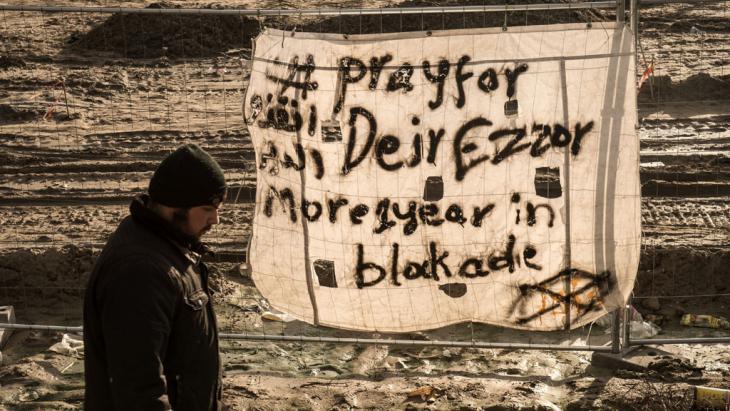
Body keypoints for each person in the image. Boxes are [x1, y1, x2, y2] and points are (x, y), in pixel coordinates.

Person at [83, 144, 227, 411]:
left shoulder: (171, 246)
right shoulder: (140, 272)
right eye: (208, 208)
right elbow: (140, 389)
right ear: (176, 206)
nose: (215, 219)